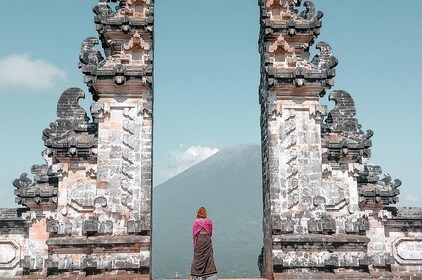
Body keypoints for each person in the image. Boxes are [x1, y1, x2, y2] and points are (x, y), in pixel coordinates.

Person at [190, 207, 217, 280]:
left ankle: (195, 275)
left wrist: (195, 244)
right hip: (207, 239)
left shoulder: (196, 222)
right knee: (208, 256)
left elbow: (194, 234)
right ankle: (209, 275)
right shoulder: (209, 221)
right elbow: (210, 232)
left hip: (199, 239)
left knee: (198, 257)